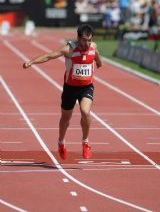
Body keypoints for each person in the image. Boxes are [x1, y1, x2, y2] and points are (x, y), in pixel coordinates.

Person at [23, 24, 102, 160]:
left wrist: (99, 62)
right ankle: (61, 142)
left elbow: (96, 55)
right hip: (70, 88)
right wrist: (32, 62)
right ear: (78, 38)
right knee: (65, 118)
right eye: (84, 40)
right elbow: (49, 56)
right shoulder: (69, 49)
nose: (87, 43)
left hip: (86, 87)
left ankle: (85, 142)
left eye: (89, 40)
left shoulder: (93, 47)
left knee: (85, 112)